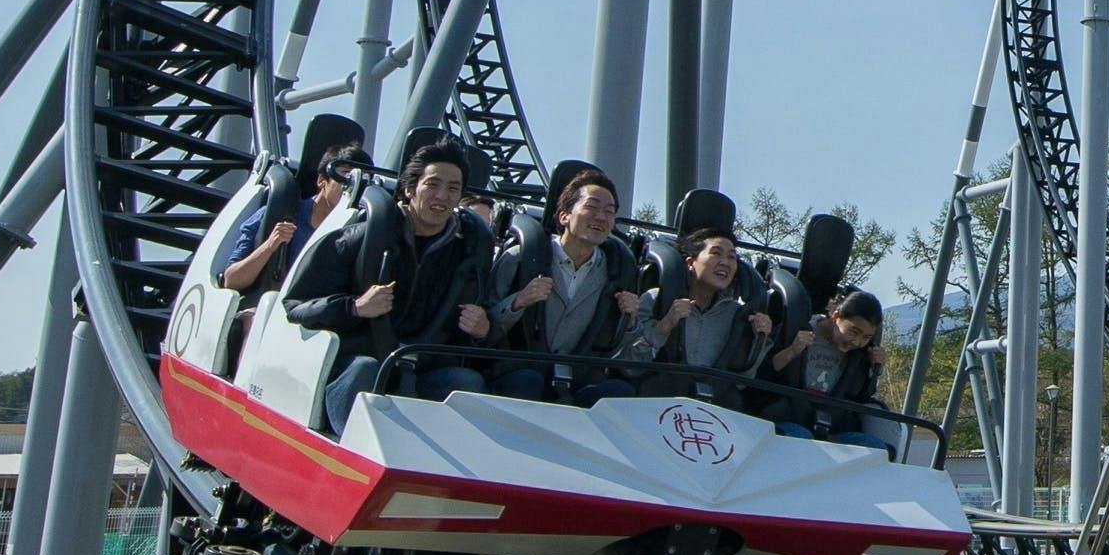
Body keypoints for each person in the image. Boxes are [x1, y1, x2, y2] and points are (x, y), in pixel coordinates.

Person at [285, 132, 500, 427]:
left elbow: (484, 316)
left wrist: (484, 327)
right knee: (365, 370)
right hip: (358, 358)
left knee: (467, 383)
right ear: (410, 189)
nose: (442, 196)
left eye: (453, 188)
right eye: (432, 185)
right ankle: (349, 445)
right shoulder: (360, 237)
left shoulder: (469, 253)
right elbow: (295, 305)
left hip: (420, 365)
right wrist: (354, 307)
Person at [494, 158, 653, 390]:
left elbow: (625, 362)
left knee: (618, 391)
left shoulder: (618, 274)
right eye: (591, 207)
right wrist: (518, 302)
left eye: (609, 212)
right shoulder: (520, 258)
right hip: (518, 373)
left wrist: (628, 322)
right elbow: (484, 327)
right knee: (527, 382)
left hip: (578, 381)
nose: (601, 217)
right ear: (564, 216)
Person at [645, 188, 775, 399]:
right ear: (690, 262)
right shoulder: (656, 299)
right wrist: (665, 325)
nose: (725, 262)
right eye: (716, 253)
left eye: (732, 257)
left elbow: (743, 381)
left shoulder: (739, 315)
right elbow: (629, 366)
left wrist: (759, 340)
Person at [216, 113, 365, 296]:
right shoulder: (277, 214)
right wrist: (271, 245)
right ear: (321, 180)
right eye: (345, 175)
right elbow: (231, 280)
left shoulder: (355, 234)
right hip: (266, 306)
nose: (351, 185)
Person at [768, 289, 889, 451]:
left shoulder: (859, 354)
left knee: (876, 448)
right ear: (835, 316)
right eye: (854, 332)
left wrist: (875, 369)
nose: (857, 342)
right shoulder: (800, 329)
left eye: (866, 337)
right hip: (790, 419)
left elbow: (861, 396)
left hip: (832, 427)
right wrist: (793, 350)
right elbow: (769, 370)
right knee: (800, 438)